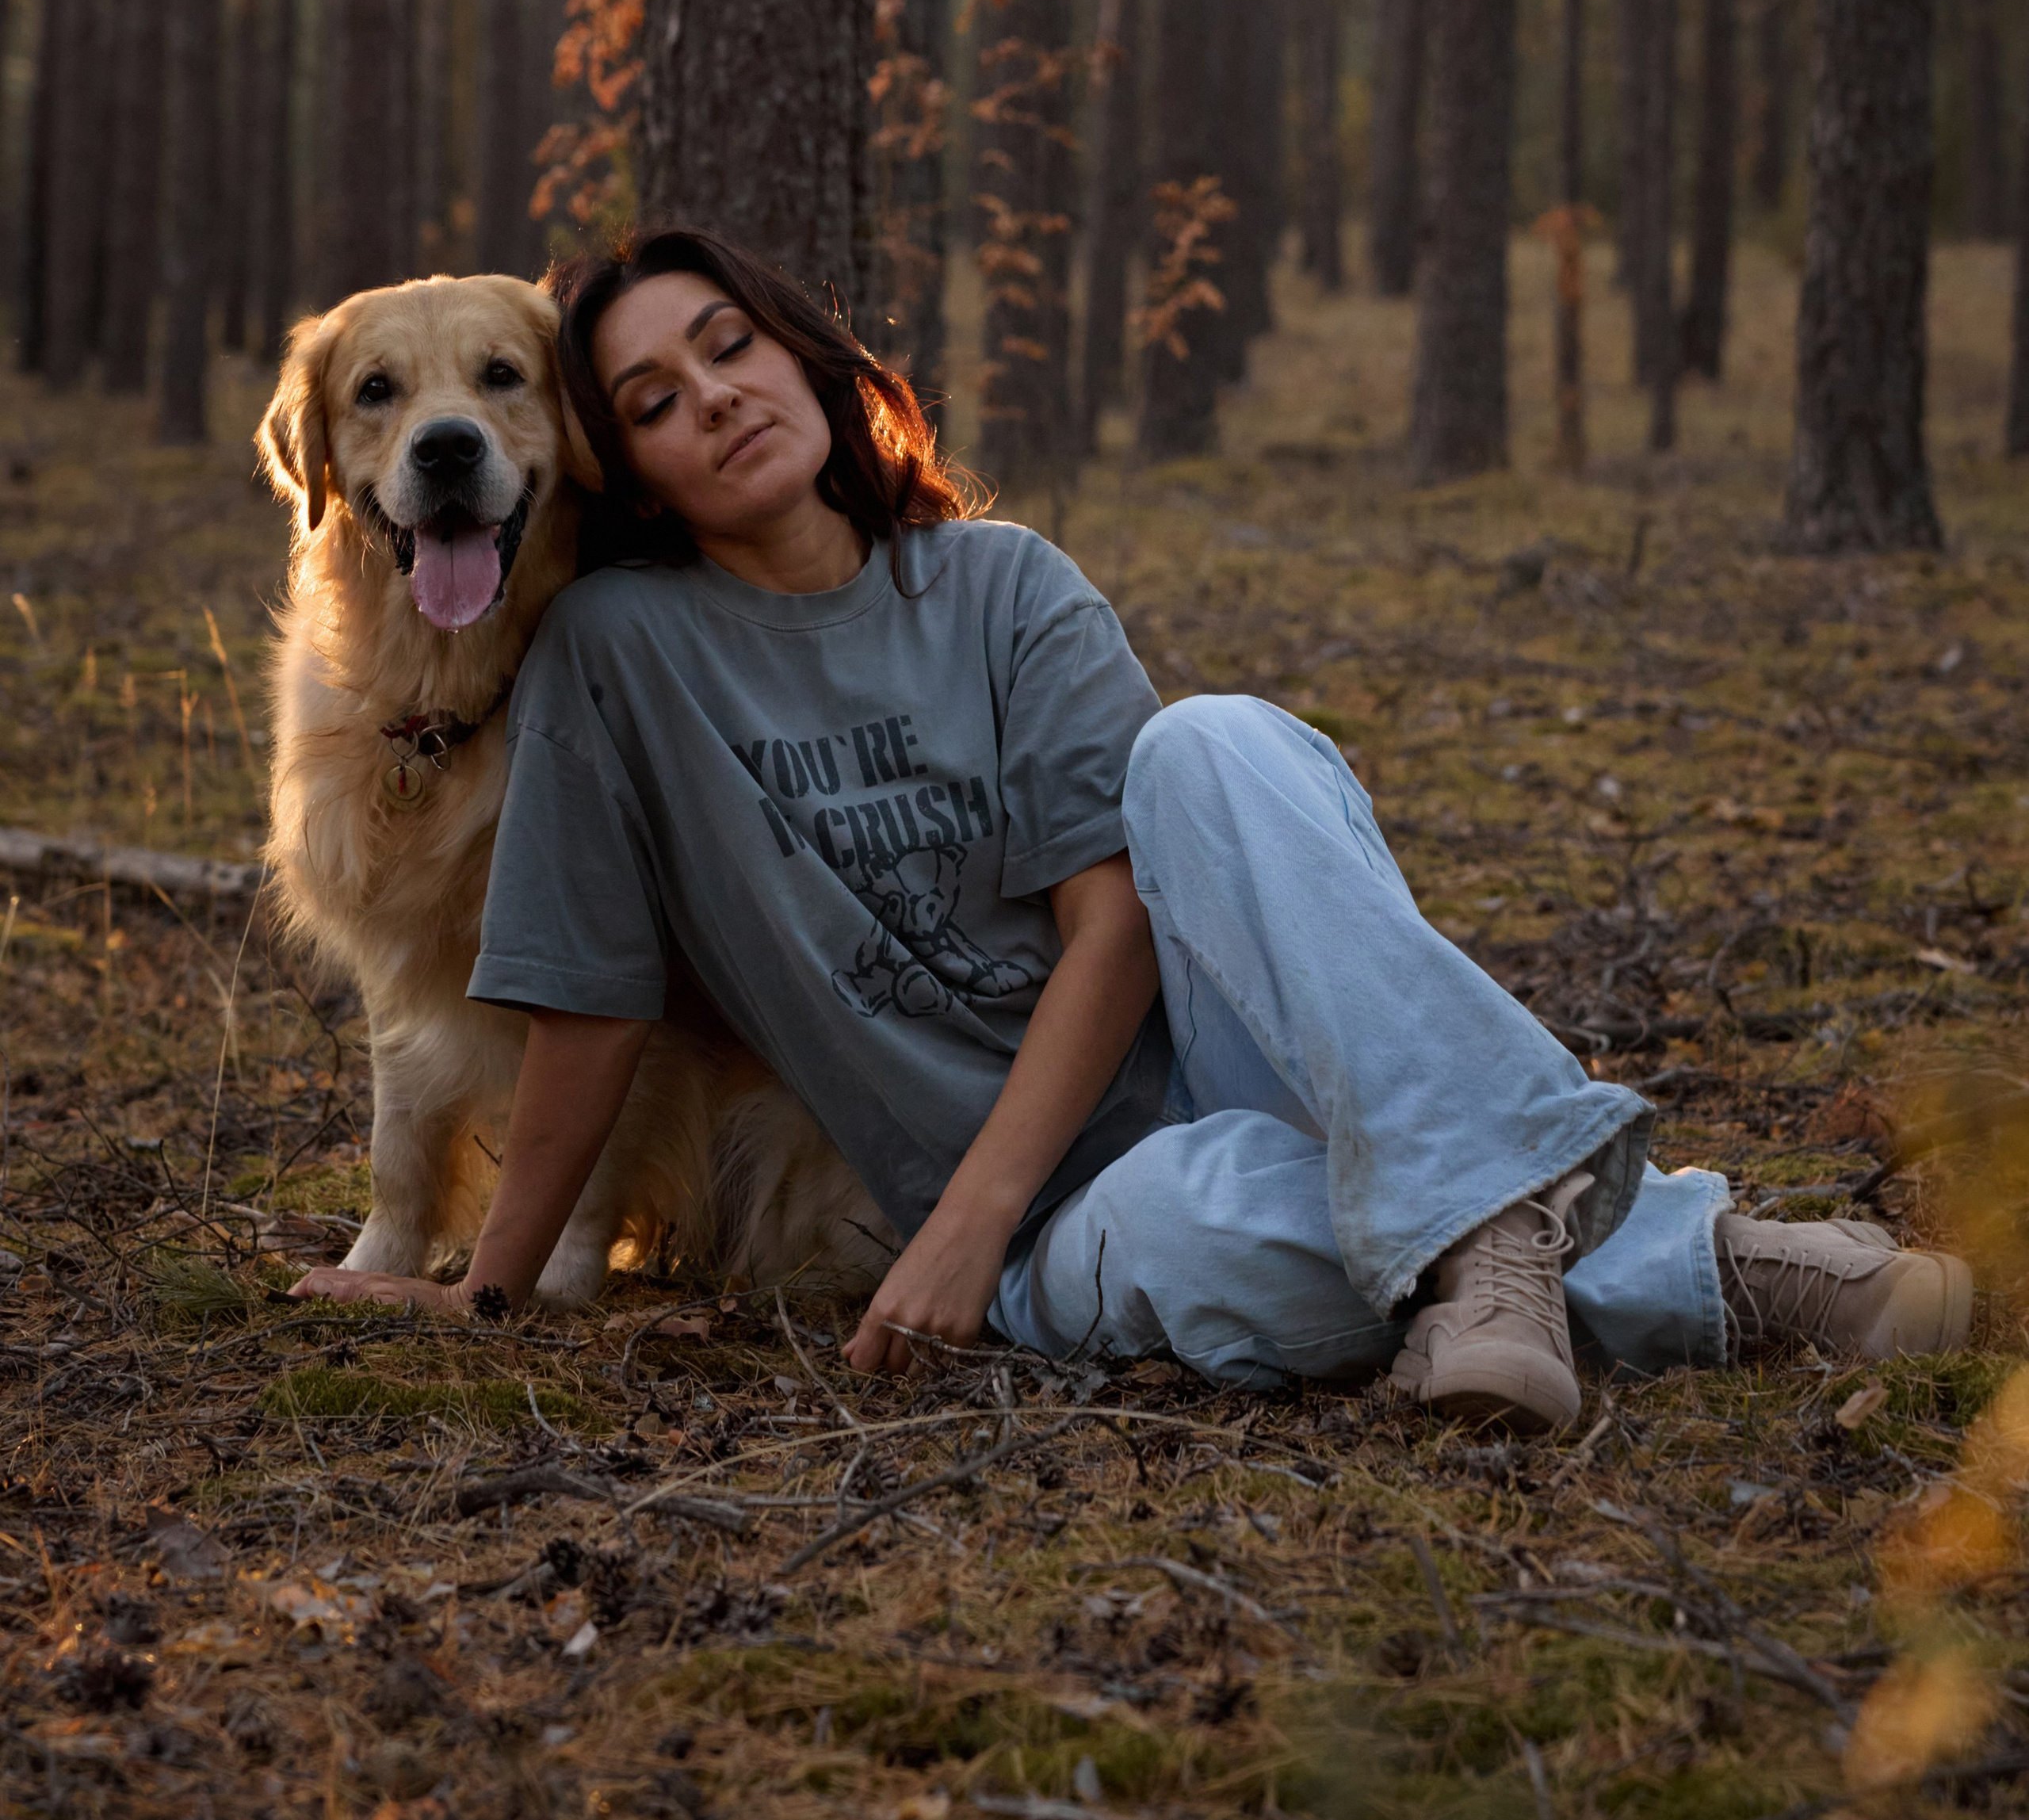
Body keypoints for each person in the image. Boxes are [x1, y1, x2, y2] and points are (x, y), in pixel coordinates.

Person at [294, 228, 1972, 1428]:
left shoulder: (1002, 584)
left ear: (803, 354)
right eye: (652, 399)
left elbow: (1115, 927)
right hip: (1069, 1229)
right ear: (625, 470)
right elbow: (585, 992)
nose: (712, 399)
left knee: (1213, 748)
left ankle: (1508, 1244)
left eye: (727, 345)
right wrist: (483, 1287)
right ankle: (1697, 1260)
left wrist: (957, 1221)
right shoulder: (617, 657)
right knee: (1244, 1238)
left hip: (1208, 1073)